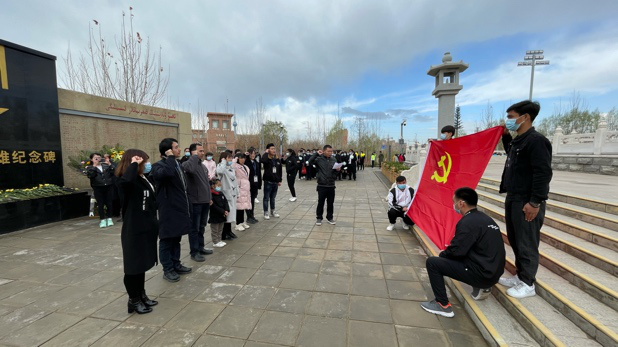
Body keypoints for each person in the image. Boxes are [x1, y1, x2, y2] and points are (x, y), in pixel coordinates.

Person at [421, 187, 506, 318]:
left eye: (453, 201)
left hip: (483, 274)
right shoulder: (486, 219)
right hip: (493, 272)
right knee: (456, 255)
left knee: (433, 263)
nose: (453, 205)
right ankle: (484, 285)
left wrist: (443, 255)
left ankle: (442, 304)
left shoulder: (467, 222)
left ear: (461, 203)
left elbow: (457, 251)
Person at [498, 100, 552, 299]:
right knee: (515, 239)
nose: (509, 121)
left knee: (527, 241)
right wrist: (505, 136)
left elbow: (543, 173)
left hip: (526, 200)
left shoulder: (536, 141)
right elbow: (512, 154)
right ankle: (520, 276)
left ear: (525, 117)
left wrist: (535, 202)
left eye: (511, 117)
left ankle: (528, 283)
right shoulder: (519, 141)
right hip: (513, 196)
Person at [115, 149, 159, 315]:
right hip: (134, 229)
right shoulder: (125, 179)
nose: (147, 164)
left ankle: (142, 295)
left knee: (141, 265)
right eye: (144, 161)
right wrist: (133, 164)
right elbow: (125, 183)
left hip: (147, 227)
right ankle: (133, 300)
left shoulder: (143, 178)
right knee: (133, 267)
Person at [151, 138, 192, 282]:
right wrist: (169, 157)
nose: (179, 149)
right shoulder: (158, 166)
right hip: (168, 209)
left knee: (177, 238)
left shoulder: (176, 164)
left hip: (180, 207)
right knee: (167, 239)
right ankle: (167, 268)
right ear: (167, 151)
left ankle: (176, 263)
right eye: (176, 147)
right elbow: (166, 174)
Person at [181, 143, 214, 263]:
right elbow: (190, 169)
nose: (203, 153)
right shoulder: (187, 164)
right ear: (193, 152)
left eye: (203, 151)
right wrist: (193, 157)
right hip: (195, 202)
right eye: (200, 151)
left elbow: (206, 183)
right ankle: (194, 252)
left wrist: (209, 197)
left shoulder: (203, 166)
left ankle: (201, 247)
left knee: (201, 226)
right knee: (194, 228)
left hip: (205, 201)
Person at [308, 145, 340, 226]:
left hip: (331, 185)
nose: (330, 153)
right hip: (322, 185)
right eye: (328, 151)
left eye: (331, 151)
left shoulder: (334, 159)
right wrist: (316, 154)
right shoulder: (319, 159)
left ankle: (330, 217)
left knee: (330, 203)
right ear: (324, 151)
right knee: (320, 202)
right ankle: (319, 217)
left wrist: (337, 171)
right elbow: (310, 161)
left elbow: (335, 172)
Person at [86, 152, 115, 228]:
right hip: (98, 187)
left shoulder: (105, 166)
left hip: (108, 186)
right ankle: (102, 219)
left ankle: (109, 218)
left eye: (99, 157)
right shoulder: (90, 167)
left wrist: (109, 163)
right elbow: (90, 175)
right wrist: (94, 166)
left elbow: (114, 172)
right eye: (95, 158)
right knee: (100, 204)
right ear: (91, 159)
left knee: (109, 203)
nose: (97, 159)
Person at [216, 151, 239, 239]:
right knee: (227, 214)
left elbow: (235, 181)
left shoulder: (230, 168)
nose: (230, 160)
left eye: (231, 158)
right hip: (226, 193)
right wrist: (223, 162)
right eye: (228, 158)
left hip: (232, 193)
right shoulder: (221, 166)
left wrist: (237, 192)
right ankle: (224, 233)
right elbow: (220, 171)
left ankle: (229, 231)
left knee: (231, 214)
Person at [261, 143, 283, 219]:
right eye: (272, 149)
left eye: (274, 149)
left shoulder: (277, 159)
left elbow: (280, 170)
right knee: (266, 198)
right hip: (268, 182)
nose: (274, 150)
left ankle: (272, 211)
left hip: (275, 182)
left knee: (273, 198)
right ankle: (266, 212)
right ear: (268, 150)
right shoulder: (267, 159)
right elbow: (263, 160)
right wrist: (266, 153)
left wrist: (280, 180)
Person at [234, 152, 252, 231]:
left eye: (244, 158)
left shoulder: (245, 167)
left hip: (246, 188)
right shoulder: (236, 166)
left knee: (244, 206)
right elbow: (232, 165)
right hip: (240, 188)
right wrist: (235, 159)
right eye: (241, 158)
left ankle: (242, 221)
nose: (243, 160)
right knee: (239, 206)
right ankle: (238, 223)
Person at [209, 178, 229, 248]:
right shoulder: (211, 195)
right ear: (213, 186)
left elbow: (225, 202)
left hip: (222, 215)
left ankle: (219, 240)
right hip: (215, 215)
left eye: (220, 185)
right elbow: (213, 206)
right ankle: (215, 241)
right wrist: (222, 211)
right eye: (218, 185)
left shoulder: (221, 193)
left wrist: (227, 210)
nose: (219, 187)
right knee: (215, 229)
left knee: (220, 229)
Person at [246, 148, 261, 224]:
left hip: (255, 184)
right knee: (249, 201)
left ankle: (252, 215)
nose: (253, 155)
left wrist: (259, 184)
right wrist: (245, 155)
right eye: (251, 153)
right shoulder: (246, 162)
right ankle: (248, 216)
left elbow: (259, 173)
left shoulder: (256, 162)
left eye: (254, 154)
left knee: (252, 201)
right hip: (249, 184)